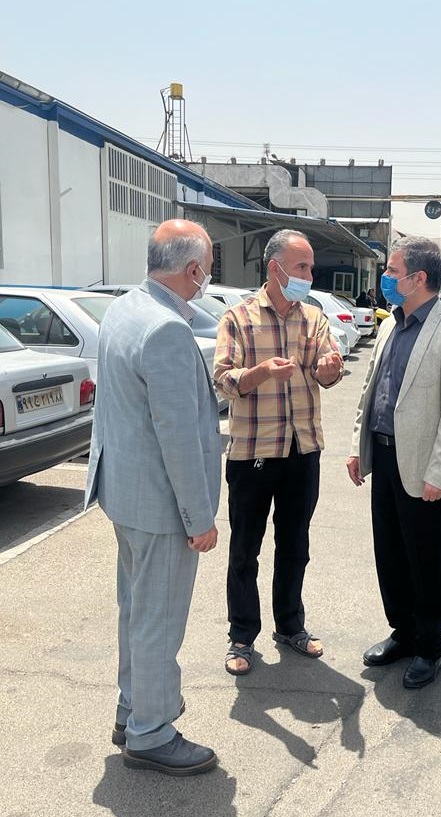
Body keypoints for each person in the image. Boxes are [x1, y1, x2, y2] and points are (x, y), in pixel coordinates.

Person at [84, 219, 221, 776]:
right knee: (158, 623)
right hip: (162, 507)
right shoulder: (165, 328)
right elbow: (178, 437)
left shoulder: (124, 309)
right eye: (208, 267)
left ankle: (132, 709)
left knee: (137, 613)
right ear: (193, 269)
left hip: (127, 494)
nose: (208, 276)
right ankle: (151, 732)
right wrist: (200, 518)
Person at [347, 236, 441, 689]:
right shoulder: (391, 325)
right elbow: (371, 390)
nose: (386, 277)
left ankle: (430, 645)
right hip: (384, 458)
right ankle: (403, 631)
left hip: (424, 468)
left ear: (418, 278)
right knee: (390, 553)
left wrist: (440, 472)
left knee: (428, 560)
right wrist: (358, 447)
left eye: (392, 270)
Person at [214, 229, 344, 675]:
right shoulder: (238, 318)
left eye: (310, 267)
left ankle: (290, 625)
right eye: (302, 267)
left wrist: (329, 369)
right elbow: (224, 379)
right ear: (275, 268)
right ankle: (241, 636)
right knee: (244, 550)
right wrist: (261, 373)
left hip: (302, 450)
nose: (309, 275)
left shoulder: (314, 317)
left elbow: (328, 373)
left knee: (295, 546)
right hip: (253, 451)